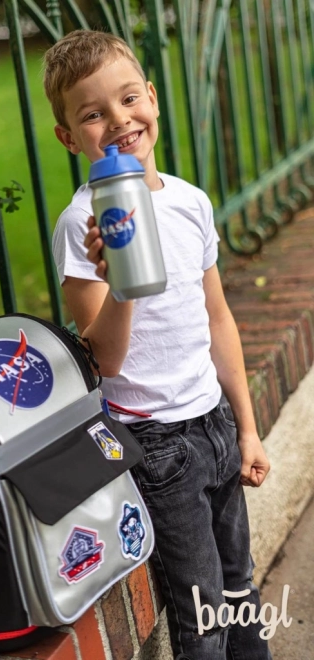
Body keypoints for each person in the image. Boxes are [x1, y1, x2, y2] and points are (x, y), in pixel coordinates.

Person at [43, 29, 272, 660]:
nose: (118, 120)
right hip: (157, 446)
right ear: (70, 138)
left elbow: (218, 318)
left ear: (152, 99)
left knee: (240, 591)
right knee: (201, 621)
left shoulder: (191, 202)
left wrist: (246, 429)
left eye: (127, 100)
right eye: (93, 113)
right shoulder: (81, 223)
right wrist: (122, 281)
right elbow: (105, 358)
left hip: (215, 424)